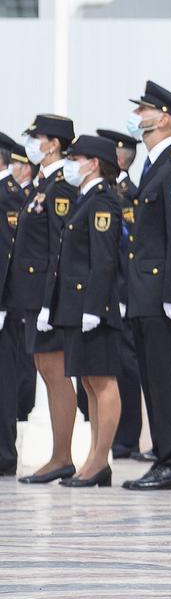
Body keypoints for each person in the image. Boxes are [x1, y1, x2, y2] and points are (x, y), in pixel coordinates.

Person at [118, 83, 171, 492]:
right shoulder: (152, 167)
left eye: (145, 111)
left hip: (163, 297)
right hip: (144, 295)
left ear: (164, 117)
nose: (139, 118)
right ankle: (164, 455)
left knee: (170, 380)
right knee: (154, 380)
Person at [38, 135, 125, 488]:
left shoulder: (103, 201)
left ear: (94, 164)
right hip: (76, 306)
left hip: (94, 307)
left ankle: (99, 460)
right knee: (88, 381)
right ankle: (92, 458)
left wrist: (95, 307)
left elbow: (104, 260)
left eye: (77, 158)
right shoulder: (83, 199)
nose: (71, 164)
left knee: (103, 382)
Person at [14, 115, 78, 484]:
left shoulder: (61, 186)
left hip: (46, 298)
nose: (32, 145)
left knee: (56, 375)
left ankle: (62, 456)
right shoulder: (40, 184)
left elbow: (59, 247)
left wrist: (51, 301)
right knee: (46, 371)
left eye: (36, 138)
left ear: (53, 143)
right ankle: (58, 455)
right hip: (31, 296)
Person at [95, 127, 147, 461]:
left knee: (126, 367)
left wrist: (127, 293)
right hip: (107, 291)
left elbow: (133, 246)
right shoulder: (107, 190)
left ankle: (127, 438)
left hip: (124, 292)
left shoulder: (130, 192)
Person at [0, 132, 32, 475]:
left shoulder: (9, 194)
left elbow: (9, 254)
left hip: (5, 307)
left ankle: (4, 455)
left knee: (5, 381)